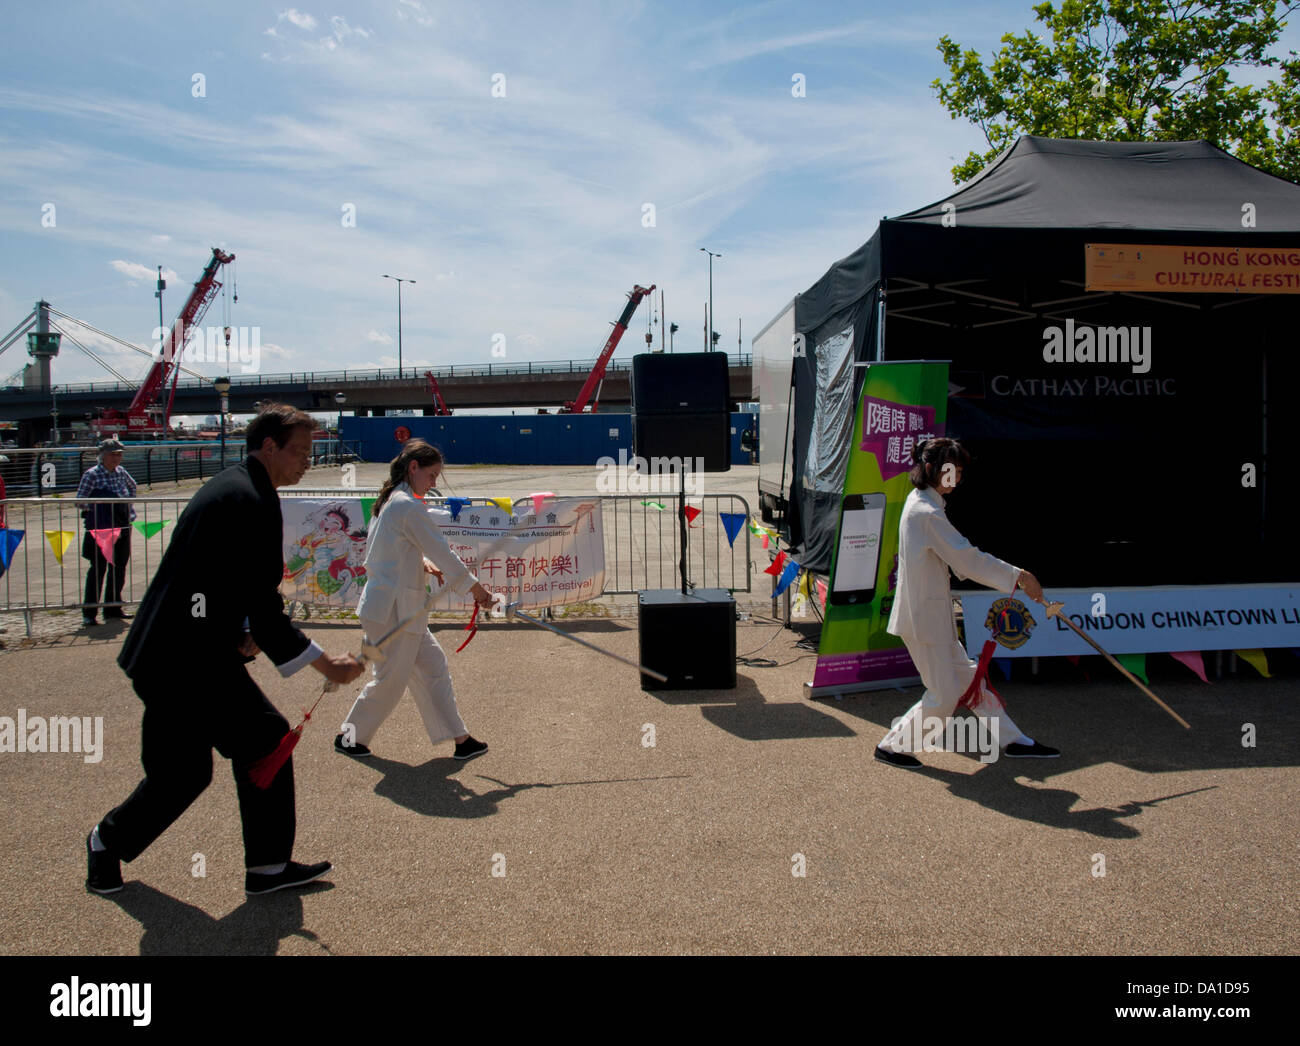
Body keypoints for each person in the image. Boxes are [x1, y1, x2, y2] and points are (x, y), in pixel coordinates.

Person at [86, 404, 365, 896]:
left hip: (169, 656)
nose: (306, 460)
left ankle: (106, 843)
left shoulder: (237, 487)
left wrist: (239, 628)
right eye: (299, 451)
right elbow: (263, 604)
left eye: (311, 451)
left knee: (182, 774)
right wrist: (325, 663)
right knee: (268, 740)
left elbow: (213, 581)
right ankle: (267, 868)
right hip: (189, 663)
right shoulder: (250, 499)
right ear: (269, 446)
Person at [875, 437, 1059, 769]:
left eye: (959, 472)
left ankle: (1014, 741)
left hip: (931, 617)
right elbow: (967, 559)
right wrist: (1018, 576)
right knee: (944, 695)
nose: (956, 479)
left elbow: (960, 560)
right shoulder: (925, 511)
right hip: (923, 621)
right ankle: (893, 746)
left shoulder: (925, 505)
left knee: (972, 682)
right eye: (951, 471)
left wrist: (1015, 577)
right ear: (931, 469)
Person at [335, 439, 495, 763]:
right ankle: (348, 738)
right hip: (392, 612)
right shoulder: (405, 505)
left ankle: (461, 740)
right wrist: (478, 591)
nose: (434, 482)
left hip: (400, 610)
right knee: (389, 683)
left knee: (434, 667)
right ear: (414, 468)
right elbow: (442, 551)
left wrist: (421, 564)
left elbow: (388, 551)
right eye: (432, 475)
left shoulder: (392, 502)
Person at [77, 438, 137, 626]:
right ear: (102, 456)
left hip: (123, 525)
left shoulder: (121, 473)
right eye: (113, 454)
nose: (117, 458)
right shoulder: (92, 475)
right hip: (101, 529)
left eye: (119, 455)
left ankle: (113, 608)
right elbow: (80, 500)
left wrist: (126, 507)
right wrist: (100, 509)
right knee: (98, 569)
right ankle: (90, 612)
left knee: (119, 568)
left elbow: (133, 487)